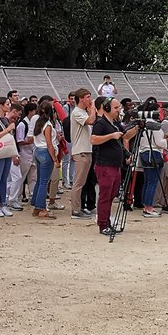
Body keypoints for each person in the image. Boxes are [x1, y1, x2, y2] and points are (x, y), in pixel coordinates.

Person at [91, 98, 138, 236]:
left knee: (112, 195)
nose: (119, 110)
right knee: (105, 195)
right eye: (116, 107)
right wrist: (111, 136)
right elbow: (93, 139)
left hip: (115, 164)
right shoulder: (101, 123)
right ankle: (103, 224)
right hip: (105, 164)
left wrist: (137, 127)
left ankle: (107, 221)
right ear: (106, 108)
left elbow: (126, 136)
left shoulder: (116, 123)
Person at [66, 89, 97, 220]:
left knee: (83, 182)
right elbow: (90, 121)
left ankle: (79, 207)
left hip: (87, 150)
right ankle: (75, 209)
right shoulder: (77, 112)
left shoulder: (82, 112)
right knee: (78, 183)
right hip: (80, 151)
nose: (90, 99)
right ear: (81, 99)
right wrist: (93, 108)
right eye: (88, 97)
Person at [31, 101, 58, 220]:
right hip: (45, 152)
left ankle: (37, 205)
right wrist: (55, 159)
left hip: (38, 150)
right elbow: (49, 144)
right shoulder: (48, 125)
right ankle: (41, 207)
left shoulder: (38, 122)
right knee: (44, 181)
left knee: (40, 180)